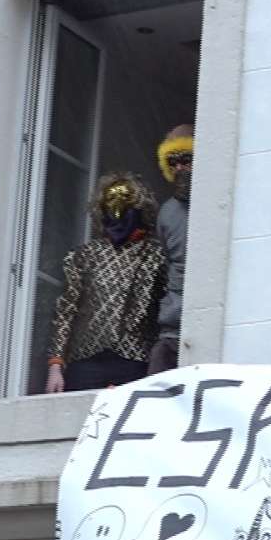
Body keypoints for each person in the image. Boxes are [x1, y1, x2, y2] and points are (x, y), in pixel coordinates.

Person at [45, 172, 167, 393]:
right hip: (86, 360)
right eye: (110, 204)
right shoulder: (84, 255)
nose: (117, 212)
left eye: (125, 205)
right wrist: (56, 365)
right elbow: (66, 311)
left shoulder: (156, 255)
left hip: (135, 360)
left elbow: (167, 307)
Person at [148, 124, 193, 374]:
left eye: (186, 160)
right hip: (172, 327)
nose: (179, 168)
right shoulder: (167, 212)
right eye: (172, 162)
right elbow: (167, 264)